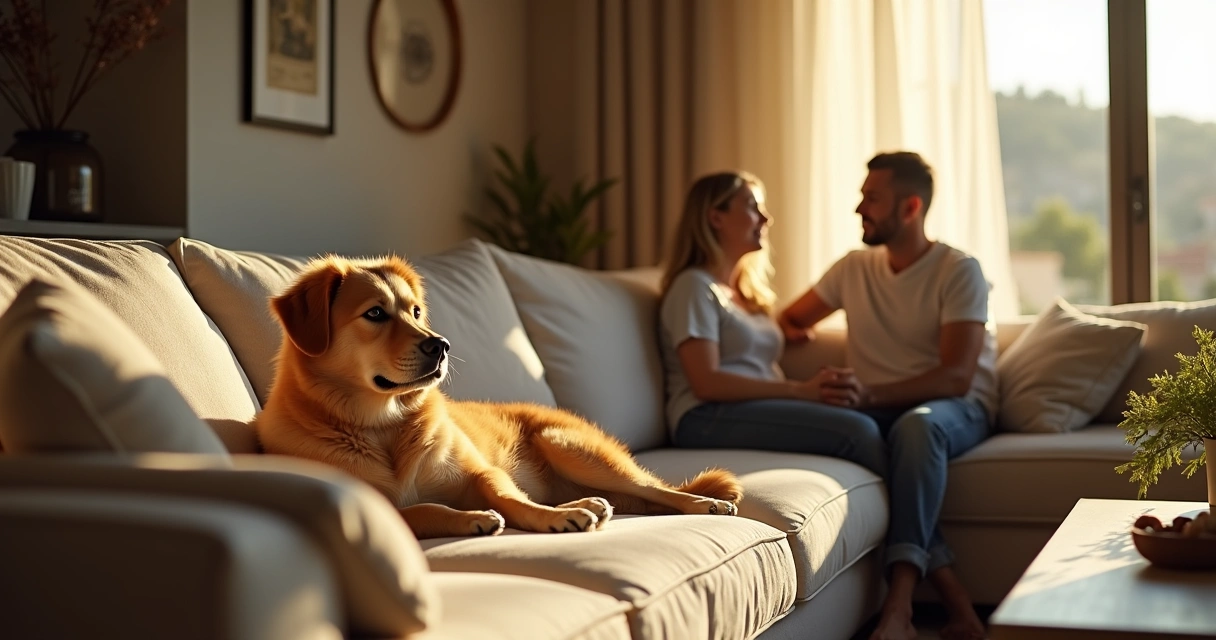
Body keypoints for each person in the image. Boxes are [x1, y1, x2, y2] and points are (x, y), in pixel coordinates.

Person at [659, 156, 994, 640]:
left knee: (906, 427)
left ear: (911, 207)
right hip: (709, 412)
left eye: (872, 198)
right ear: (714, 217)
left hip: (949, 407)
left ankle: (905, 605)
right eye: (753, 208)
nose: (860, 207)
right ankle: (953, 598)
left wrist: (829, 378)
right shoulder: (699, 287)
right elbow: (711, 378)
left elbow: (955, 378)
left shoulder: (958, 270)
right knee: (863, 428)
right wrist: (801, 386)